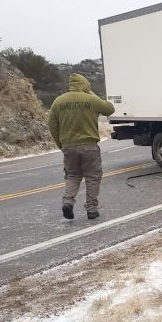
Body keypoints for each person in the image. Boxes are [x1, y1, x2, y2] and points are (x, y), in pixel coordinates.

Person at [48, 73, 115, 220]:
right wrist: (92, 94)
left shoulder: (58, 102)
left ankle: (68, 201)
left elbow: (52, 125)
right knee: (92, 177)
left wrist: (62, 145)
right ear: (85, 85)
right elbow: (110, 109)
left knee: (72, 175)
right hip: (89, 146)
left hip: (68, 146)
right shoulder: (91, 99)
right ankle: (91, 209)